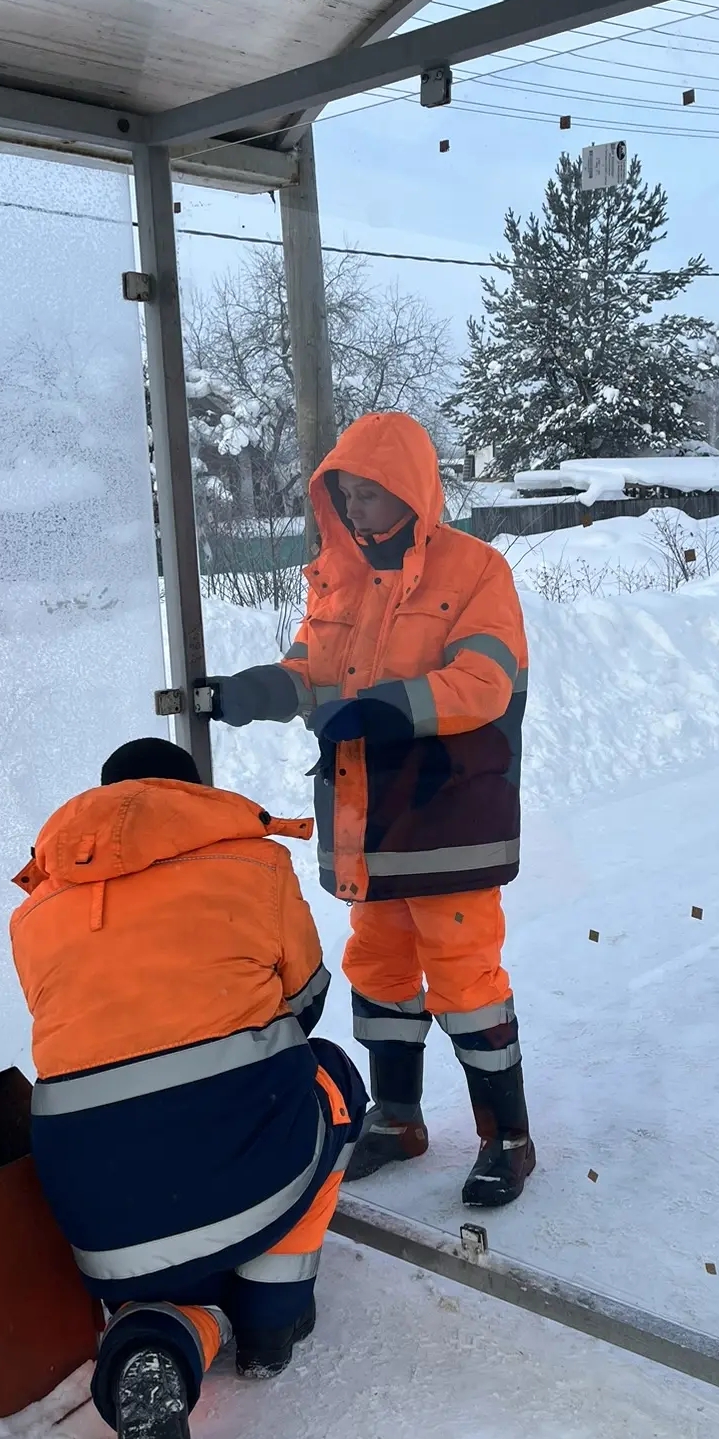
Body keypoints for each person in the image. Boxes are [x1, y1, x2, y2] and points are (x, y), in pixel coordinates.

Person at [9, 736, 366, 1439]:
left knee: (173, 1295)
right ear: (194, 800)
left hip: (99, 1208)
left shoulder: (35, 909)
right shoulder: (255, 863)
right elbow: (305, 1003)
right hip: (239, 1164)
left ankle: (156, 1352)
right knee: (331, 1079)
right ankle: (271, 1323)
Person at [199, 411, 534, 1207]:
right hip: (367, 818)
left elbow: (487, 680)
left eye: (369, 495)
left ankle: (507, 1139)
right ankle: (398, 1118)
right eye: (344, 495)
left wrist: (383, 708)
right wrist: (258, 691)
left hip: (447, 813)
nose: (353, 511)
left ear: (410, 492)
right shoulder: (337, 578)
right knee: (379, 968)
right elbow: (309, 672)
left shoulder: (475, 570)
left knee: (465, 976)